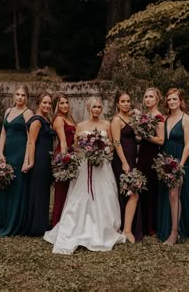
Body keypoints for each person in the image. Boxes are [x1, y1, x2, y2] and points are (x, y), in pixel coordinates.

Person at [43, 97, 125, 254]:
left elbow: (112, 144)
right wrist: (86, 152)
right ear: (88, 108)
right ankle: (75, 226)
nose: (97, 109)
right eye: (94, 106)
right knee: (81, 196)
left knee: (104, 195)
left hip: (102, 166)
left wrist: (103, 152)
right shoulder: (80, 125)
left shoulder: (107, 125)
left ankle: (104, 227)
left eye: (99, 107)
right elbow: (75, 147)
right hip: (85, 166)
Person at [157, 88, 189, 244]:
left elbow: (188, 145)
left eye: (174, 99)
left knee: (174, 194)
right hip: (165, 159)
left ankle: (174, 233)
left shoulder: (186, 119)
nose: (171, 102)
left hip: (179, 161)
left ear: (180, 100)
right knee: (169, 194)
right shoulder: (165, 118)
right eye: (169, 100)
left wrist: (180, 166)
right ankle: (169, 227)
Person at [0, 84, 33, 237]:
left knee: (18, 185)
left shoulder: (28, 112)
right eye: (17, 94)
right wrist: (0, 153)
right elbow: (3, 133)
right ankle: (4, 220)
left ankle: (15, 222)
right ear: (14, 96)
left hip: (20, 153)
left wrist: (26, 159)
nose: (20, 97)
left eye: (23, 95)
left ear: (27, 98)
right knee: (6, 184)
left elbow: (30, 138)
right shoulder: (8, 111)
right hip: (8, 153)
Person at [111, 90, 143, 243]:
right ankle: (127, 229)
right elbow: (116, 142)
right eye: (123, 101)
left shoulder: (130, 118)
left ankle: (127, 228)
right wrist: (124, 162)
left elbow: (137, 138)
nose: (126, 104)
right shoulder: (116, 120)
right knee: (130, 192)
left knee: (132, 192)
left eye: (128, 101)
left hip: (132, 159)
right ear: (117, 103)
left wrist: (138, 115)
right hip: (121, 160)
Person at [22, 92, 55, 236]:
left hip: (46, 158)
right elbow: (31, 142)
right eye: (45, 103)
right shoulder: (36, 120)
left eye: (49, 103)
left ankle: (41, 222)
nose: (47, 105)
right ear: (38, 103)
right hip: (39, 158)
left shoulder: (45, 118)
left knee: (43, 191)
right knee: (38, 191)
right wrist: (31, 161)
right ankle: (36, 226)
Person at [136, 87, 164, 236]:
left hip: (152, 157)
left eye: (151, 97)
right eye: (145, 96)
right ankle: (141, 223)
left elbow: (160, 140)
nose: (147, 99)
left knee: (150, 189)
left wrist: (145, 136)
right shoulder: (146, 116)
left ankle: (151, 226)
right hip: (142, 155)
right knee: (141, 188)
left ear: (157, 99)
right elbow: (142, 138)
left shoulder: (158, 117)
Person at [51, 93, 76, 227]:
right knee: (61, 193)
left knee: (70, 193)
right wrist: (65, 160)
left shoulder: (70, 118)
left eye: (66, 102)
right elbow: (63, 142)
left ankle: (67, 222)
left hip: (72, 156)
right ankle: (57, 223)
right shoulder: (59, 119)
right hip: (63, 157)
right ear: (57, 105)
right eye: (61, 103)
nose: (65, 105)